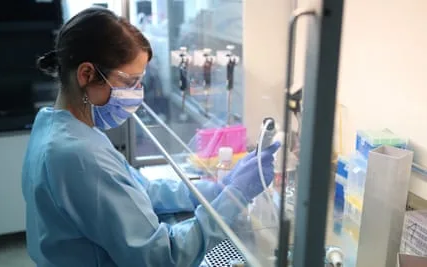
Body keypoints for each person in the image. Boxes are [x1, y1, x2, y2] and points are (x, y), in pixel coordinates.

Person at [22, 7, 279, 267]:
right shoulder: (77, 155)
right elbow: (162, 257)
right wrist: (233, 197)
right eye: (130, 82)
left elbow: (138, 190)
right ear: (87, 74)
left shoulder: (58, 126)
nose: (138, 93)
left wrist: (212, 191)